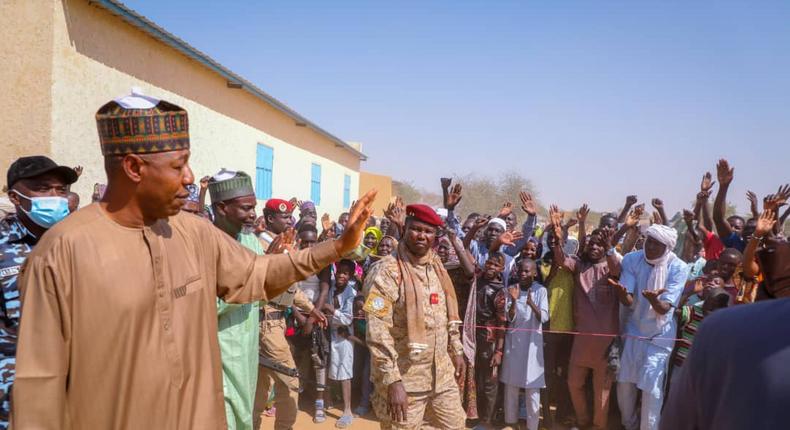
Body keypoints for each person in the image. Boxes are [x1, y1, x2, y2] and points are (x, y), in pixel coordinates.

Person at [13, 91, 376, 429]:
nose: (188, 179)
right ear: (134, 167)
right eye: (178, 166)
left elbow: (259, 272)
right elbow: (38, 385)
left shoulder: (193, 233)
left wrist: (338, 246)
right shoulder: (62, 252)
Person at [365, 204, 466, 430]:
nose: (422, 235)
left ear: (435, 236)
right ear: (405, 229)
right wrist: (393, 381)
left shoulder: (436, 266)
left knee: (456, 425)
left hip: (441, 376)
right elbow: (377, 330)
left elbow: (446, 315)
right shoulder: (386, 271)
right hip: (405, 380)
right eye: (416, 229)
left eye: (428, 231)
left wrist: (456, 350)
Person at [0, 156, 77, 428]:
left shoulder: (79, 242)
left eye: (61, 189)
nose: (55, 197)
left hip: (74, 389)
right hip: (12, 397)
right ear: (16, 197)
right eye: (43, 189)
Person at [660, 287, 790, 429]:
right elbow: (674, 311)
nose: (710, 309)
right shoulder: (698, 314)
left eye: (715, 306)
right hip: (681, 368)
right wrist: (688, 293)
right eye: (709, 304)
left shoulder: (721, 326)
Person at [208, 169, 274, 430]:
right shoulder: (205, 244)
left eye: (254, 208)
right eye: (246, 208)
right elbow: (203, 305)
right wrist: (249, 284)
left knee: (244, 412)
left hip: (247, 346)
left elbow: (263, 291)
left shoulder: (251, 241)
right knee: (225, 412)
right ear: (222, 208)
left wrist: (274, 268)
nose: (253, 214)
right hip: (221, 347)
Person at [550, 207, 626, 430]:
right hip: (582, 341)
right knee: (574, 383)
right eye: (591, 244)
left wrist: (611, 247)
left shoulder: (612, 269)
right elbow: (562, 260)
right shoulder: (579, 266)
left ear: (605, 248)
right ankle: (583, 422)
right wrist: (557, 239)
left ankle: (598, 426)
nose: (594, 247)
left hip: (605, 344)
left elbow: (615, 268)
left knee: (602, 391)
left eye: (599, 245)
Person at [611, 224, 689, 430]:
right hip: (634, 330)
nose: (650, 247)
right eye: (649, 241)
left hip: (660, 335)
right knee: (625, 383)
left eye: (656, 244)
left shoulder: (679, 267)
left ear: (668, 247)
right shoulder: (632, 259)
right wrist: (621, 294)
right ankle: (629, 425)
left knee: (651, 390)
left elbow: (664, 309)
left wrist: (654, 300)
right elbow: (628, 300)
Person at [499, 259, 549, 430]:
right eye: (520, 270)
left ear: (534, 273)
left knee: (532, 389)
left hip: (532, 347)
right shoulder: (511, 290)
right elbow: (510, 318)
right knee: (511, 386)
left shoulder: (541, 291)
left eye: (527, 271)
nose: (523, 274)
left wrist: (531, 303)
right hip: (514, 344)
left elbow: (543, 317)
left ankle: (532, 425)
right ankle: (510, 423)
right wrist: (513, 300)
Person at [324, 259, 358, 428]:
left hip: (344, 337)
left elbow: (348, 318)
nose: (341, 275)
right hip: (331, 334)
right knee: (330, 367)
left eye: (346, 273)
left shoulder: (350, 293)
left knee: (344, 373)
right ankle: (328, 399)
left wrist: (332, 310)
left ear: (350, 276)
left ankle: (347, 410)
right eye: (340, 272)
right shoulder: (330, 287)